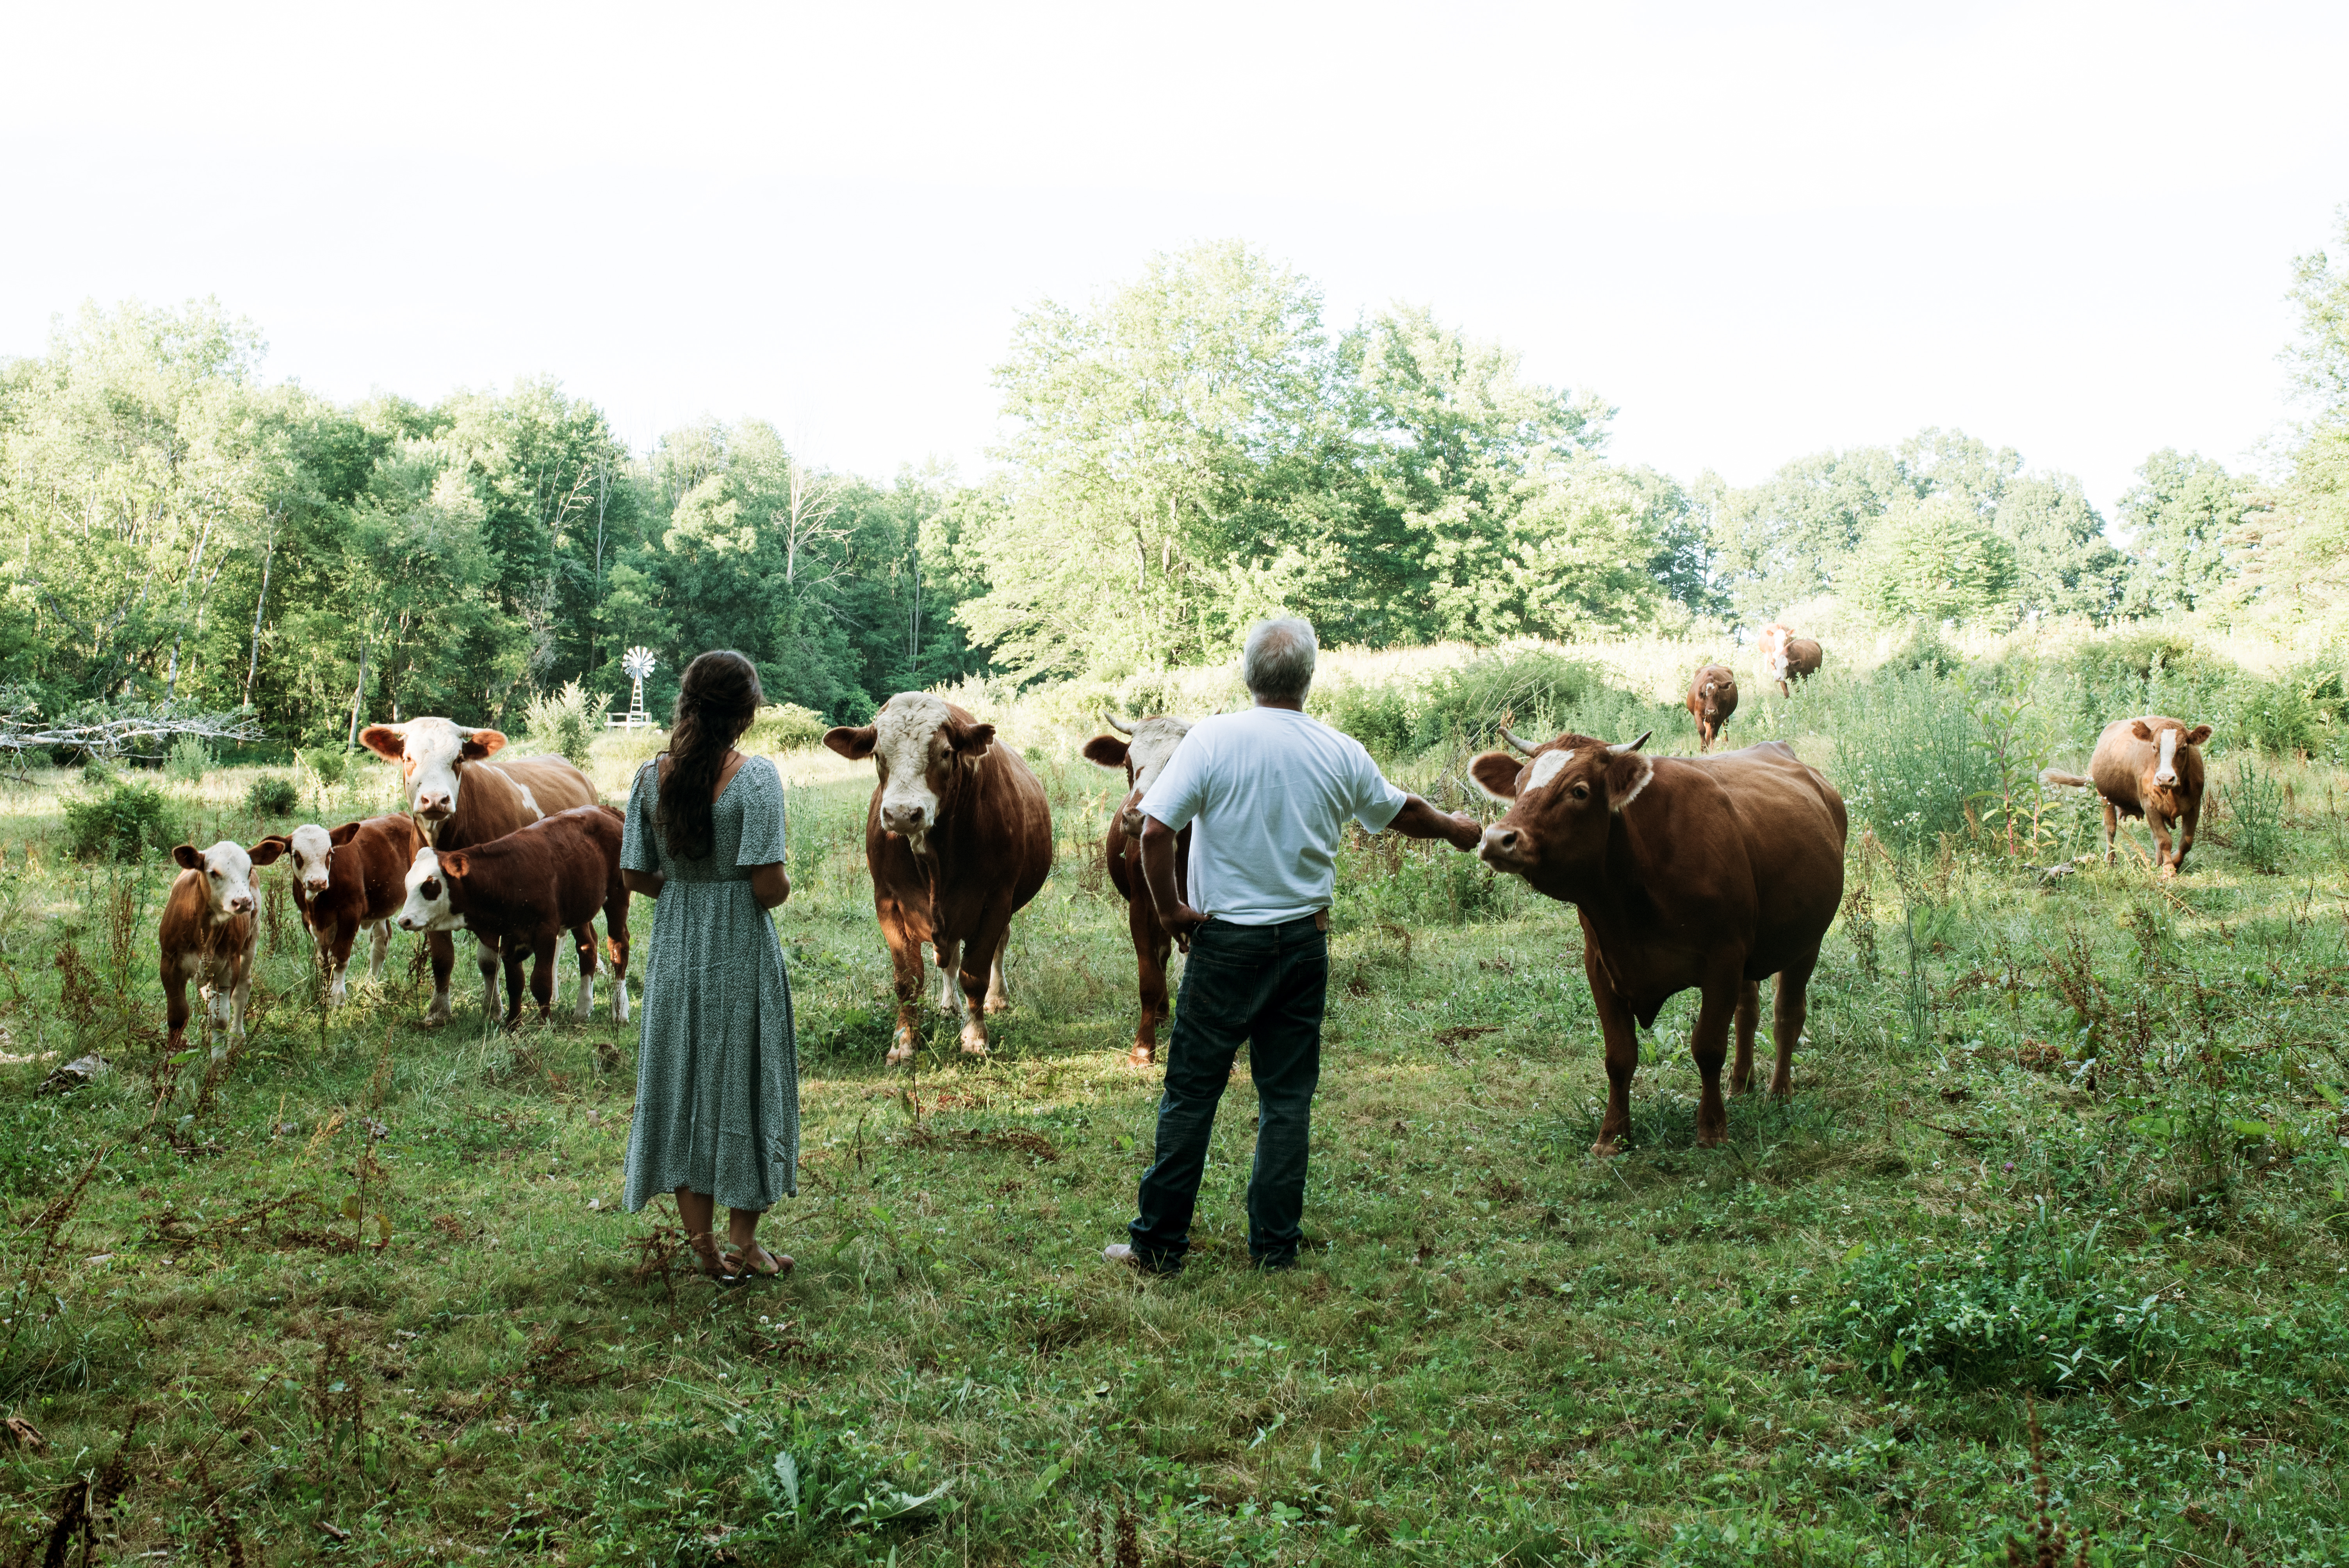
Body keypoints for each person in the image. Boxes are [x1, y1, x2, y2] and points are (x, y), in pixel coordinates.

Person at [1105, 617, 1483, 1274]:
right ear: (1309, 678)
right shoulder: (1339, 749)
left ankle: (1159, 1246)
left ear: (1248, 675)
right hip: (1304, 945)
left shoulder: (1213, 739)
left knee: (1192, 1094)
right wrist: (1455, 828)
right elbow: (1402, 811)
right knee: (1286, 1099)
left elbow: (1155, 831)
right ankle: (1275, 1248)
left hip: (1223, 945)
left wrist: (1171, 912)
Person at [619, 650, 798, 1283]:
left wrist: (687, 892)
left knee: (681, 1084)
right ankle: (744, 1243)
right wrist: (749, 889)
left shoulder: (649, 777)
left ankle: (702, 1249)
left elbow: (635, 874)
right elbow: (768, 887)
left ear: (687, 704)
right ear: (744, 714)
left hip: (674, 947)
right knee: (749, 1078)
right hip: (740, 946)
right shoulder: (757, 779)